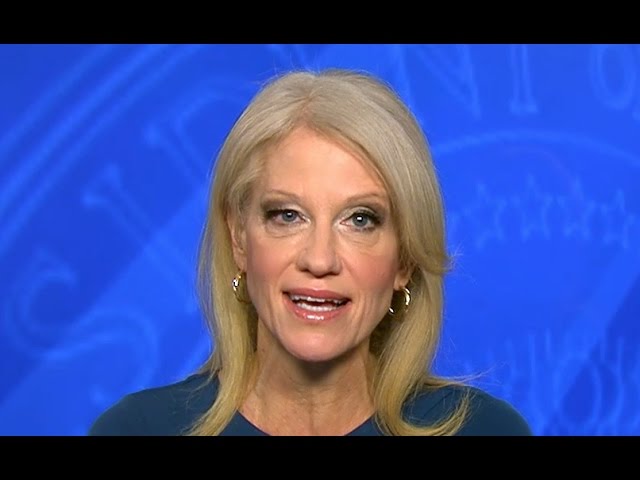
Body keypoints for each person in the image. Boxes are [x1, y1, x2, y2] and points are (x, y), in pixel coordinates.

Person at [89, 68, 532, 436]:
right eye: (287, 216)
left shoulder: (486, 430)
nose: (320, 260)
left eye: (360, 220)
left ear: (405, 259)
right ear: (239, 238)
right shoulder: (136, 429)